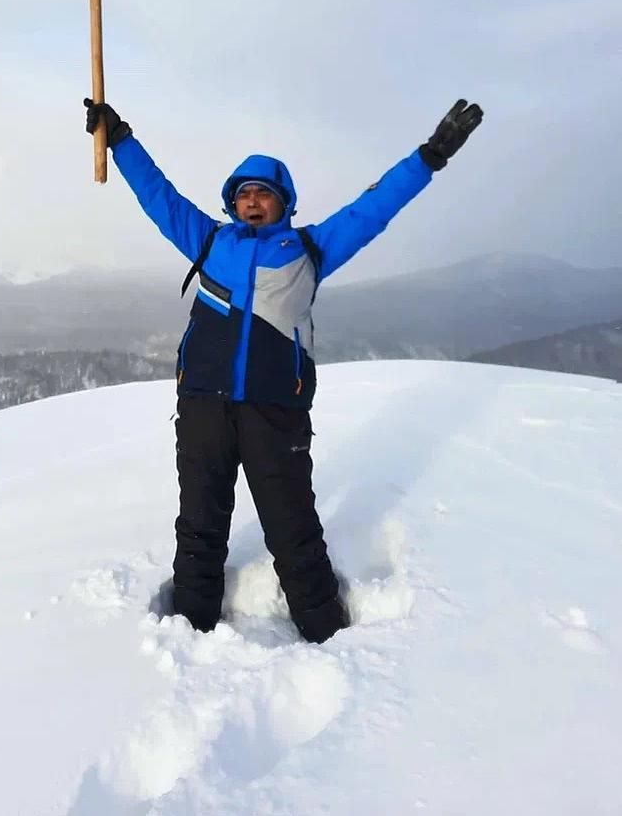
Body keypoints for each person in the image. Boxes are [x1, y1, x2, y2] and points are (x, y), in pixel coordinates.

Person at [84, 97, 483, 643]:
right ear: (232, 203)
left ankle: (327, 634)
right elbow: (159, 195)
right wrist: (120, 138)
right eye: (244, 194)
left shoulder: (310, 250)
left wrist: (430, 156)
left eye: (263, 194)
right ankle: (187, 633)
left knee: (293, 530)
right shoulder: (209, 241)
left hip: (276, 412)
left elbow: (373, 208)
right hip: (203, 405)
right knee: (199, 525)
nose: (252, 202)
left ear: (283, 204)